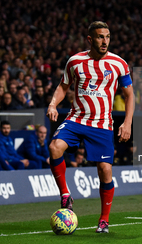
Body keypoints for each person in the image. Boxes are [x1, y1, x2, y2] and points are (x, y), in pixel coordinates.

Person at [46, 21, 134, 233]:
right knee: (54, 148)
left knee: (104, 171)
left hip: (103, 124)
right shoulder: (75, 61)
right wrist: (52, 104)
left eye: (107, 37)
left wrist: (127, 123)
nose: (104, 41)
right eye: (100, 37)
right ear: (90, 39)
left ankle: (104, 220)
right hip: (76, 119)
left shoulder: (119, 63)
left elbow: (129, 95)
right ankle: (65, 194)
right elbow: (63, 86)